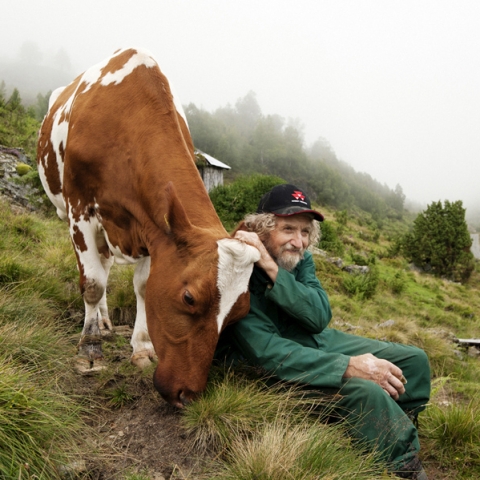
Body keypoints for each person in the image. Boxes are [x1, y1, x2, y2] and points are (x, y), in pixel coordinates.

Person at [217, 183, 431, 480]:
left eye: (305, 232)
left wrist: (275, 270)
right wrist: (347, 366)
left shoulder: (298, 258)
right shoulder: (238, 267)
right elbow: (266, 353)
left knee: (414, 360)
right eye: (288, 228)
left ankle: (394, 420)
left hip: (315, 340)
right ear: (262, 230)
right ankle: (403, 463)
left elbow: (318, 316)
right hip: (270, 366)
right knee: (365, 391)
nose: (298, 241)